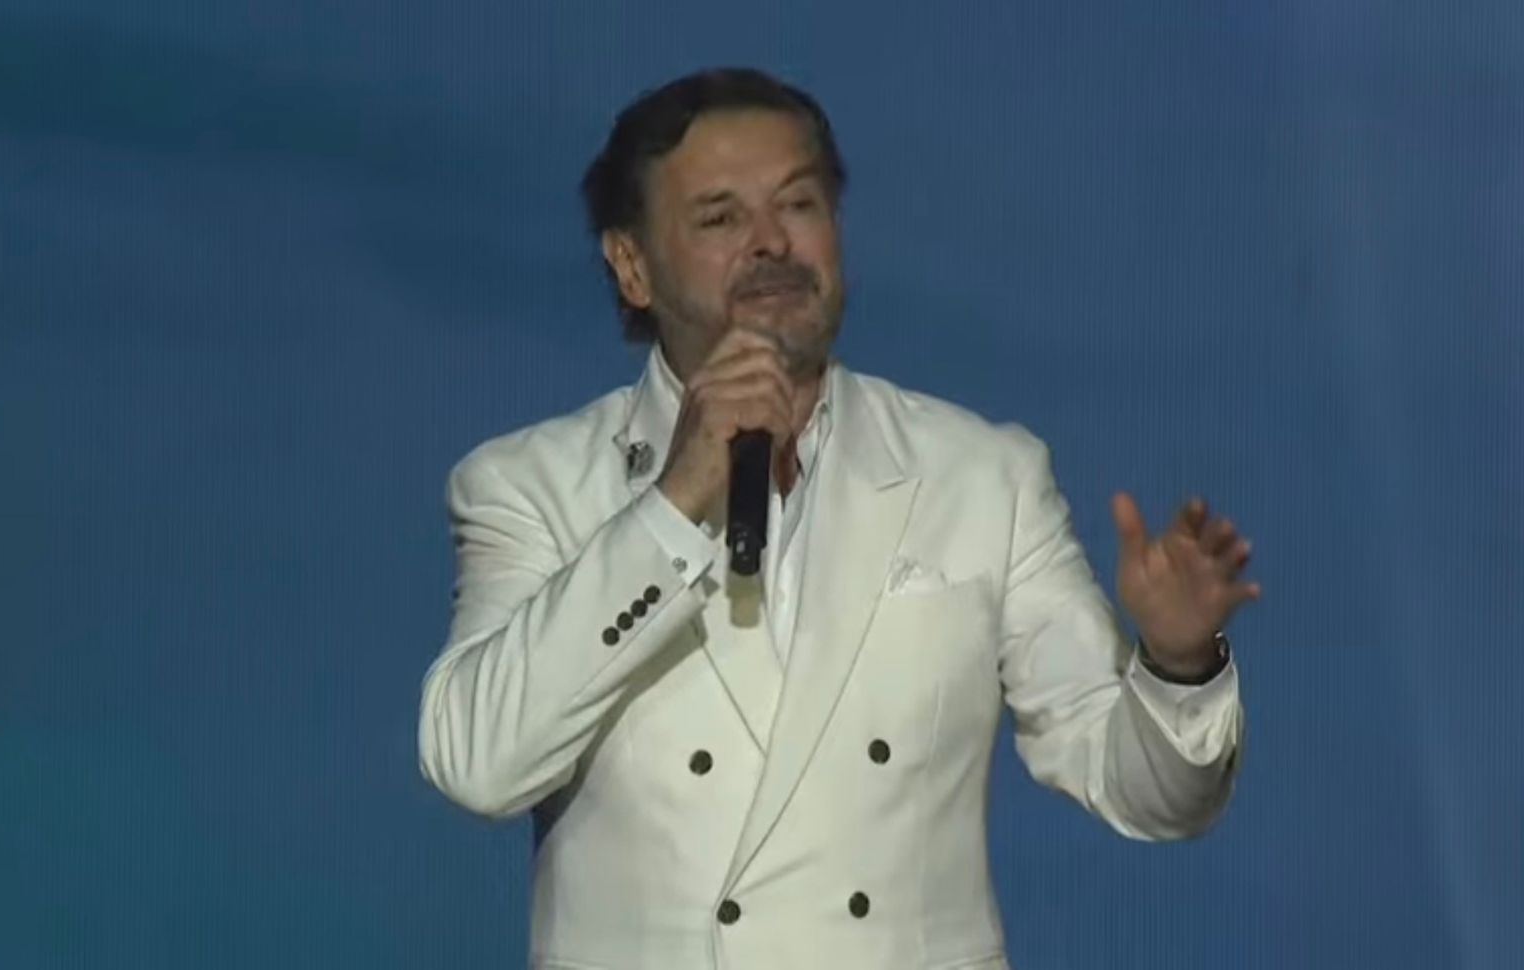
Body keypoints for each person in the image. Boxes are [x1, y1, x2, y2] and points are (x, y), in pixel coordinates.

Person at [418, 67, 1256, 970]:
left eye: (799, 204)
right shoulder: (530, 486)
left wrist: (1176, 665)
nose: (771, 243)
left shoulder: (982, 477)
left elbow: (1147, 793)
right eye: (720, 219)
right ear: (633, 265)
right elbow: (477, 764)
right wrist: (673, 504)